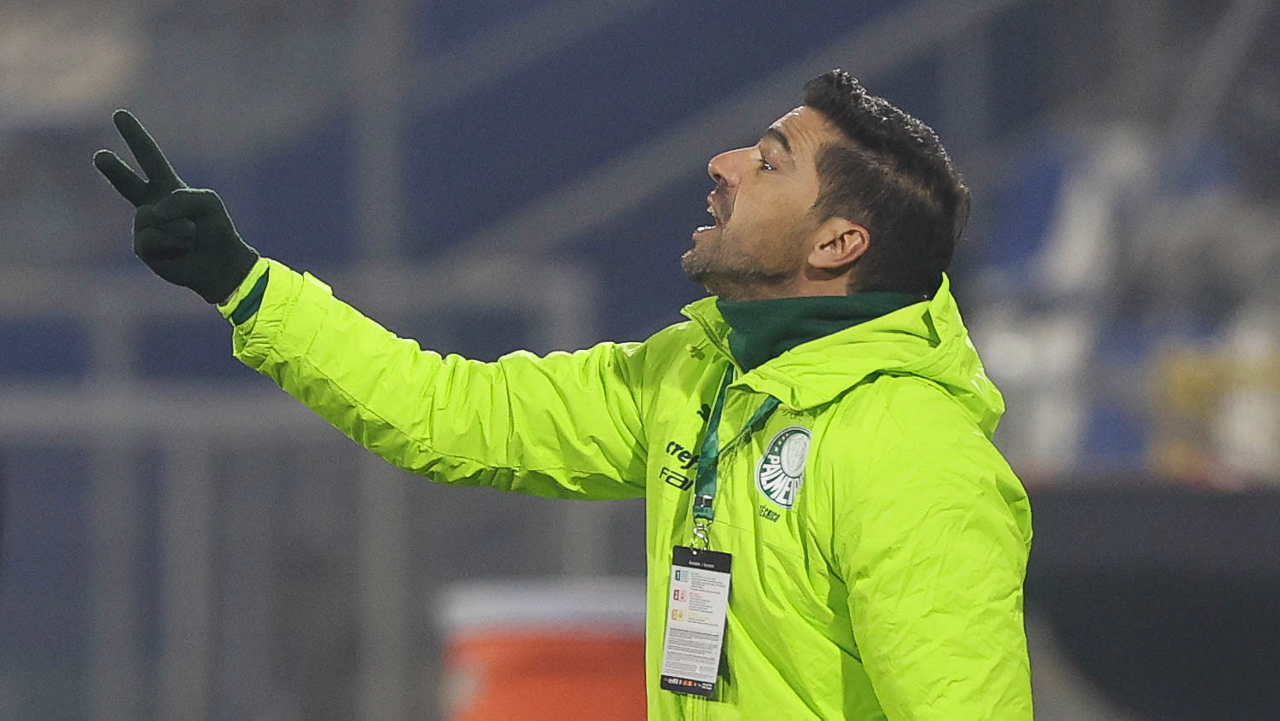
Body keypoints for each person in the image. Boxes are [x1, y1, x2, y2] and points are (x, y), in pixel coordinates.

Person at [94, 69, 1033, 719]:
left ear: (837, 244)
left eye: (770, 160)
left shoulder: (913, 454)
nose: (724, 163)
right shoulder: (696, 373)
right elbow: (449, 414)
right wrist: (247, 286)